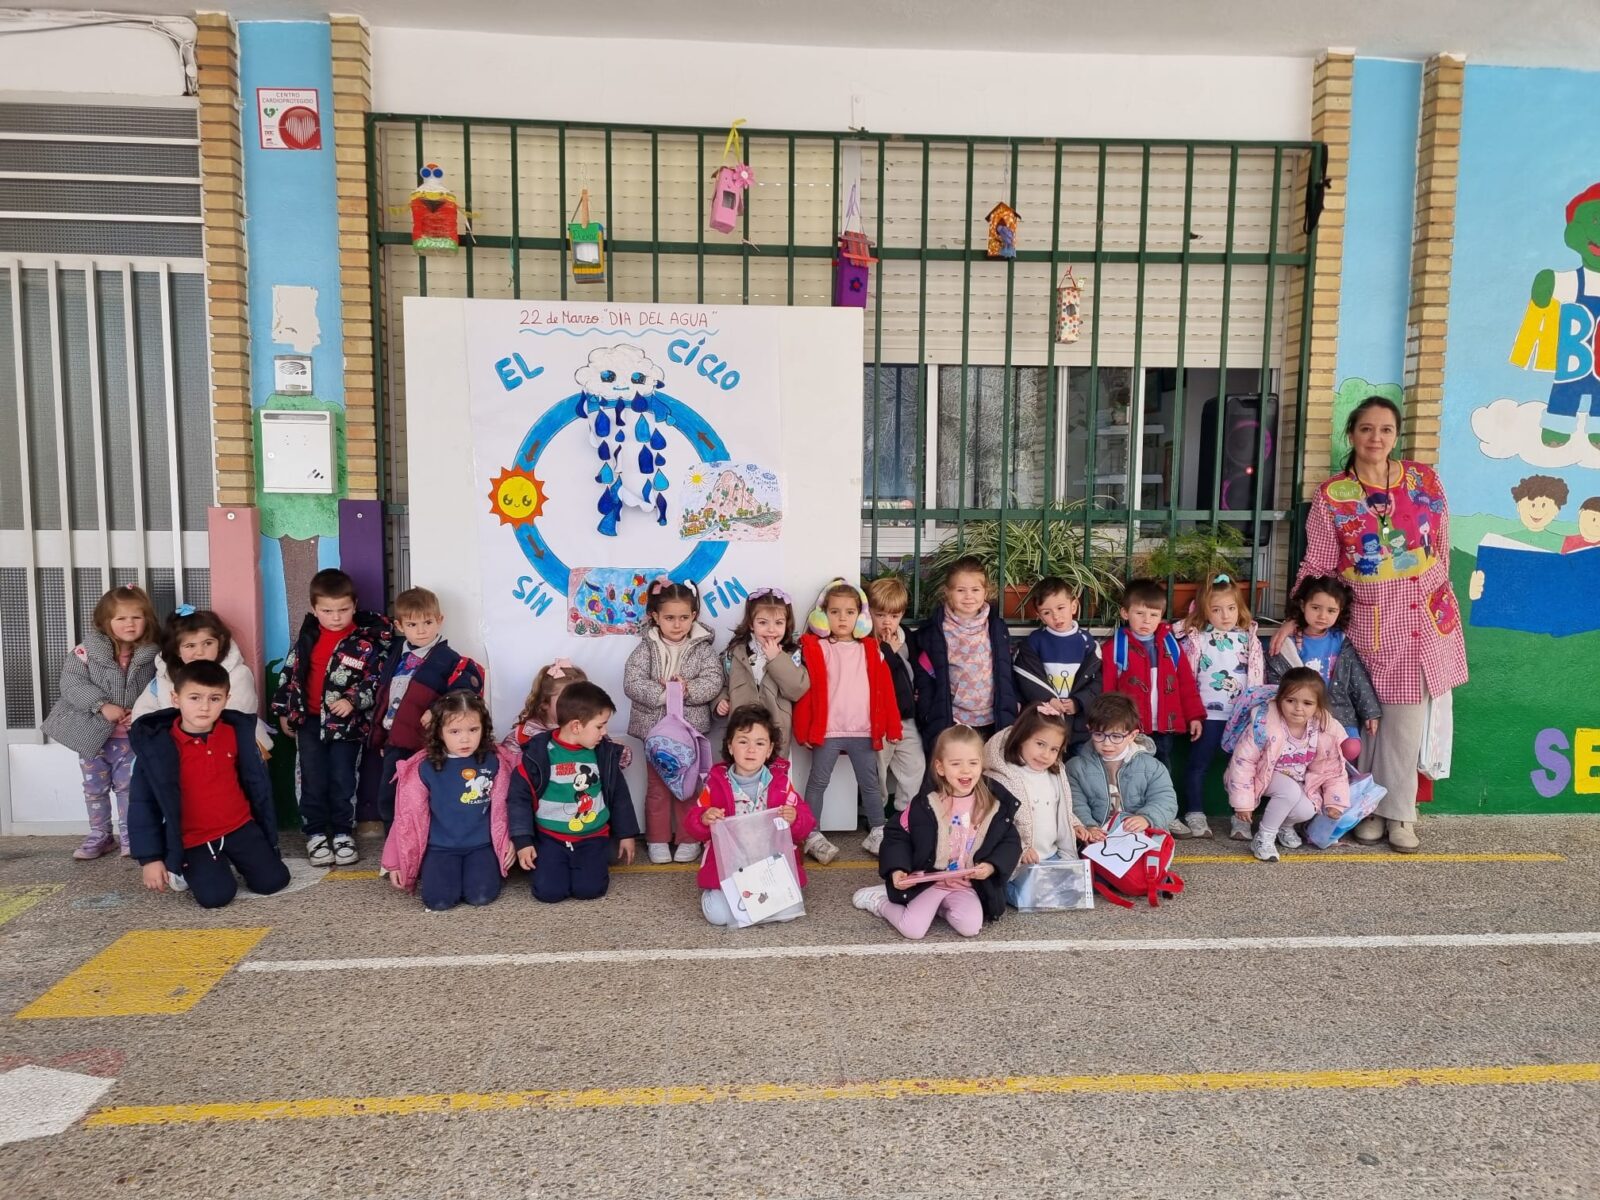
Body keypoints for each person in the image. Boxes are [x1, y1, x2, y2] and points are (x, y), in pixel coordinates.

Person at [1271, 395, 1466, 853]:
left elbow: (1441, 544)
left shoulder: (1424, 480)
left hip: (1423, 619)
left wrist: (1435, 592)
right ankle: (1368, 809)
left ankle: (1400, 814)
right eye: (1366, 429)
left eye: (1385, 429)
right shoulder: (1332, 496)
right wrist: (1295, 617)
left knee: (1405, 722)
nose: (1375, 438)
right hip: (1369, 619)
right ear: (1352, 434)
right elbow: (1319, 562)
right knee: (1365, 720)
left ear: (1396, 436)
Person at [127, 660, 290, 908]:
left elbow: (256, 785)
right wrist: (150, 859)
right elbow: (142, 804)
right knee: (217, 897)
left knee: (274, 881)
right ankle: (184, 868)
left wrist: (265, 833)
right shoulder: (157, 747)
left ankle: (232, 859)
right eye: (194, 698)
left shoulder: (237, 732)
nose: (204, 707)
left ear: (226, 700)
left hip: (240, 826)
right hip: (194, 839)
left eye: (214, 698)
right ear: (176, 699)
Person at [269, 568, 393, 867]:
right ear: (314, 609)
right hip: (309, 722)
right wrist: (285, 711)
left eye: (343, 610)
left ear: (355, 605)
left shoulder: (366, 642)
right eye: (327, 611)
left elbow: (377, 679)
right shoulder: (308, 638)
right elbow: (291, 674)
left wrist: (353, 701)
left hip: (347, 726)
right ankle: (314, 834)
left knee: (343, 778)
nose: (335, 617)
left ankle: (342, 832)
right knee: (311, 777)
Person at [852, 724, 1022, 940]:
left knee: (970, 927)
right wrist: (897, 869)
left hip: (965, 884)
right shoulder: (926, 804)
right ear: (940, 768)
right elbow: (897, 835)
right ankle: (879, 901)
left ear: (982, 764)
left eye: (973, 763)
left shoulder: (992, 804)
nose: (966, 770)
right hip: (928, 882)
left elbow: (1010, 841)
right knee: (913, 930)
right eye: (956, 764)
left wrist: (991, 866)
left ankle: (939, 908)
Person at [43, 585, 160, 859]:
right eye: (121, 618)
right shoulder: (85, 653)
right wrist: (101, 705)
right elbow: (71, 684)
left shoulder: (154, 655)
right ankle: (100, 834)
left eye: (137, 617)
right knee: (95, 788)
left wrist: (142, 711)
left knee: (129, 788)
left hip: (130, 737)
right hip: (92, 736)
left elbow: (160, 687)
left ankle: (131, 836)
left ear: (147, 620)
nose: (129, 624)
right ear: (105, 622)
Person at [792, 579, 902, 859]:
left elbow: (886, 691)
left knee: (870, 782)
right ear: (822, 616)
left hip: (862, 731)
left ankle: (878, 830)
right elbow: (805, 693)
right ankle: (811, 833)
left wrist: (892, 726)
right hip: (828, 731)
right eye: (835, 612)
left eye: (850, 612)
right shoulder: (816, 648)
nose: (842, 618)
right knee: (818, 782)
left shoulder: (871, 649)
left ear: (860, 617)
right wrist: (803, 730)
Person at [681, 705, 817, 927]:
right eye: (743, 741)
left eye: (760, 743)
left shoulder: (781, 784)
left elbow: (806, 822)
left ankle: (754, 902)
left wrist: (795, 818)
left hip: (768, 867)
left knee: (788, 912)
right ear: (730, 746)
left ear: (769, 749)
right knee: (719, 916)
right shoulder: (715, 785)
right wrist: (704, 818)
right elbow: (692, 822)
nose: (751, 750)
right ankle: (715, 893)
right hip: (730, 867)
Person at [382, 693, 515, 911]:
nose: (465, 739)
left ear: (484, 729)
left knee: (481, 897)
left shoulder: (495, 762)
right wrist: (395, 861)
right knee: (439, 901)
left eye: (473, 730)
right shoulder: (423, 768)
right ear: (439, 732)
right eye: (454, 731)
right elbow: (406, 817)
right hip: (440, 848)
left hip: (482, 847)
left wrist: (511, 840)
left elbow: (507, 808)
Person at [622, 579, 724, 865]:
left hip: (689, 734)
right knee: (657, 789)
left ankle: (689, 838)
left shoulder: (703, 648)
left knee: (688, 787)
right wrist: (665, 693)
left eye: (683, 617)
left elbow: (714, 680)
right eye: (669, 618)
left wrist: (687, 689)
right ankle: (657, 839)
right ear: (655, 617)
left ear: (693, 616)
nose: (677, 624)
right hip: (656, 734)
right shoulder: (646, 648)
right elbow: (632, 681)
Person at [508, 680, 638, 902]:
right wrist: (523, 841)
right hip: (550, 839)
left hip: (593, 838)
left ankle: (591, 862)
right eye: (600, 726)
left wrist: (626, 834)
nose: (604, 732)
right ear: (576, 726)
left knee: (590, 890)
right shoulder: (539, 755)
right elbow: (518, 800)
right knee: (549, 893)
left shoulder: (603, 754)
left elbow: (619, 796)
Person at [368, 587, 484, 831]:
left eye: (428, 622)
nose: (421, 630)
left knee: (428, 796)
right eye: (412, 624)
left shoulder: (449, 658)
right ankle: (396, 845)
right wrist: (381, 736)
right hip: (395, 740)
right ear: (400, 626)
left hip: (428, 743)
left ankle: (430, 844)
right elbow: (384, 699)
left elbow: (464, 692)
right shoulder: (395, 657)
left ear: (440, 620)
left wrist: (436, 709)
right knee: (390, 796)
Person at [1224, 668, 1350, 863]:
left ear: (1318, 706)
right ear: (1279, 699)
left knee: (1307, 809)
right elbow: (1243, 762)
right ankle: (1264, 837)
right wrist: (1243, 803)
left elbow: (1331, 769)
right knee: (1289, 791)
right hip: (1261, 775)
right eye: (1290, 700)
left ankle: (1284, 826)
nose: (1298, 708)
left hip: (1296, 780)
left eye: (1307, 703)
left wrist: (1335, 802)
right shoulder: (1264, 724)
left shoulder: (1324, 729)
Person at [1175, 574, 1263, 839]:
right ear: (1204, 611)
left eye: (1231, 608)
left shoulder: (1248, 638)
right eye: (1216, 609)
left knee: (1243, 767)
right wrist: (1192, 714)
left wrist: (1256, 713)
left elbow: (1257, 678)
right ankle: (1195, 813)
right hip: (1208, 715)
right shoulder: (1197, 638)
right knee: (1198, 764)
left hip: (1242, 716)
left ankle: (1241, 817)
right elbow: (1186, 676)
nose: (1225, 615)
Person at [129, 606, 268, 757]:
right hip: (175, 748)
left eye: (208, 643)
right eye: (190, 646)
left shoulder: (238, 675)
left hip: (229, 750)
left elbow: (236, 716)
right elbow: (142, 715)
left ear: (220, 642)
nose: (200, 652)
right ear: (177, 650)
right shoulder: (165, 677)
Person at [911, 556, 1018, 752]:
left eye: (975, 590)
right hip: (953, 718)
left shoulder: (996, 628)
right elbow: (925, 673)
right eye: (961, 590)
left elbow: (1005, 671)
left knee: (990, 766)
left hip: (993, 718)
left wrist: (1012, 704)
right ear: (947, 592)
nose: (969, 596)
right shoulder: (935, 632)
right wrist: (927, 710)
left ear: (986, 591)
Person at [982, 707, 1083, 906]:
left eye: (1054, 749)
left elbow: (1061, 809)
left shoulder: (1055, 774)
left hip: (1050, 855)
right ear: (1021, 738)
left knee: (1074, 893)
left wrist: (1075, 824)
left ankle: (1041, 888)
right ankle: (1002, 888)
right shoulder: (1006, 777)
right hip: (1019, 860)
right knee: (1031, 898)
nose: (1045, 755)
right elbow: (997, 824)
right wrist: (1021, 849)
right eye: (1040, 744)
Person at [1099, 579, 1204, 766]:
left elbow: (1186, 684)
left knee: (1162, 770)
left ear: (1161, 616)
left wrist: (1194, 716)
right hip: (1128, 729)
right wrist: (1109, 722)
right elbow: (1108, 690)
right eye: (1139, 613)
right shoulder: (1114, 648)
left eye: (1154, 615)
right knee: (1129, 770)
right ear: (1125, 613)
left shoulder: (1171, 645)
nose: (1146, 620)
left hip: (1164, 730)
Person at [1267, 576, 1380, 743]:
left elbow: (1358, 677)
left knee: (1351, 747)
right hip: (1301, 713)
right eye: (1315, 608)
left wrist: (1370, 711)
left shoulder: (1341, 641)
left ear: (1340, 611)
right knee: (1310, 748)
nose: (1322, 616)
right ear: (1303, 605)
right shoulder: (1288, 644)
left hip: (1339, 711)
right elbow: (1276, 681)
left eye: (1331, 611)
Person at [1065, 694, 1179, 840]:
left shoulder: (1152, 767)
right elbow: (1076, 804)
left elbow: (1165, 800)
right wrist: (1089, 826)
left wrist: (1146, 818)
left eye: (1116, 736)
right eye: (1099, 734)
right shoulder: (1075, 768)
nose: (1107, 743)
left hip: (1142, 834)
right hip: (1098, 836)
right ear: (1089, 730)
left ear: (1132, 735)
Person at [714, 587, 810, 755]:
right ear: (751, 624)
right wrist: (720, 701)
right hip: (741, 732)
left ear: (786, 624)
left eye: (778, 623)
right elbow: (722, 684)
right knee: (742, 768)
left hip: (776, 733)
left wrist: (776, 659)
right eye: (763, 623)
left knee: (773, 770)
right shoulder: (734, 653)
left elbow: (797, 689)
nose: (771, 630)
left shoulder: (792, 654)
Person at [1010, 576, 1102, 744]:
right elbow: (1026, 678)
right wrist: (1048, 699)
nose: (1056, 616)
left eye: (1061, 608)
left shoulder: (1088, 643)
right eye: (1047, 612)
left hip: (1078, 727)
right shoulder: (1034, 642)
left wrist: (1078, 702)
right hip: (1044, 722)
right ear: (1039, 616)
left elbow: (1096, 681)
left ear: (1073, 606)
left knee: (1077, 759)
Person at [502, 659, 632, 770]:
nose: (577, 705)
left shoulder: (588, 727)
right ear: (544, 703)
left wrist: (617, 751)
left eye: (582, 698)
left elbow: (617, 763)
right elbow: (504, 771)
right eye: (566, 698)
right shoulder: (522, 736)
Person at [865, 575, 924, 817]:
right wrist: (888, 651)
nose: (887, 622)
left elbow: (914, 672)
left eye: (894, 615)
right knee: (877, 768)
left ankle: (906, 814)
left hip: (905, 715)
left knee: (914, 765)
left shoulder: (906, 637)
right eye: (880, 615)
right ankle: (875, 814)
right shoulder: (865, 640)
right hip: (878, 717)